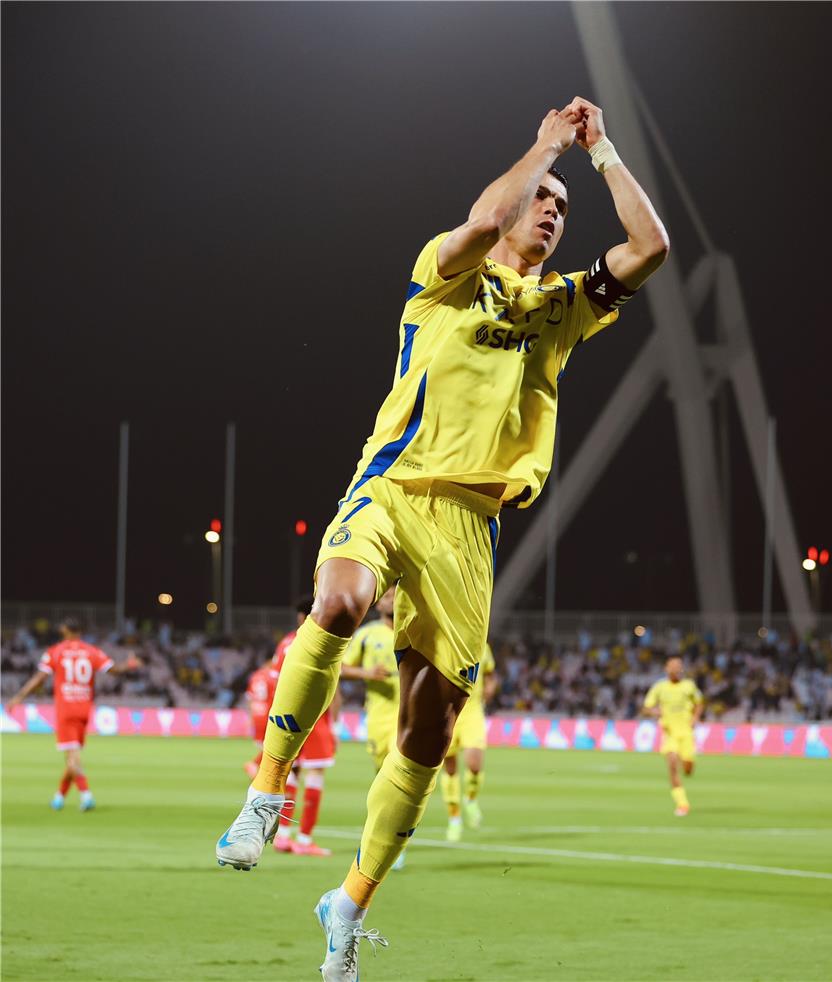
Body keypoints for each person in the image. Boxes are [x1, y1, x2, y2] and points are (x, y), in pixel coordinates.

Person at [214, 95, 669, 980]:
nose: (550, 209)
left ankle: (347, 903)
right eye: (544, 197)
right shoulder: (444, 276)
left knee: (429, 731)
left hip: (469, 528)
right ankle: (267, 790)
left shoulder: (563, 308)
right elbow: (487, 217)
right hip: (391, 485)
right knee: (341, 602)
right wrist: (545, 147)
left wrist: (603, 151)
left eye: (562, 209)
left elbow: (650, 248)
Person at [5, 618, 140, 811]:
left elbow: (39, 679)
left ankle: (86, 796)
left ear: (65, 630)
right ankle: (59, 797)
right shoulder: (91, 651)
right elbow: (114, 670)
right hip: (85, 708)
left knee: (72, 755)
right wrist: (130, 665)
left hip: (66, 708)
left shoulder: (56, 651)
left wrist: (19, 696)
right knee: (72, 755)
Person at [339, 584, 406, 871]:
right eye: (387, 597)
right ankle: (382, 840)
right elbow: (341, 667)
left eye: (396, 597)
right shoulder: (367, 635)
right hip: (379, 718)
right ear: (379, 604)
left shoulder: (414, 631)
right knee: (383, 782)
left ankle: (396, 846)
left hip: (409, 716)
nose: (391, 601)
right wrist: (368, 673)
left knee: (400, 780)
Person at [269, 597, 341, 857]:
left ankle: (284, 836)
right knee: (315, 776)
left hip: (288, 717)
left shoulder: (285, 643)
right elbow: (331, 686)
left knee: (292, 776)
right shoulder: (323, 639)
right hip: (315, 718)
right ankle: (305, 839)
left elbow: (274, 682)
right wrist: (335, 724)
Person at [441, 642, 497, 840]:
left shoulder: (482, 645)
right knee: (450, 768)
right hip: (446, 712)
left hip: (472, 712)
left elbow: (490, 674)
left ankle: (471, 799)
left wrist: (490, 688)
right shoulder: (444, 640)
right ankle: (454, 819)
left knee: (474, 764)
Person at [641, 655, 703, 816]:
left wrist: (695, 717)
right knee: (673, 765)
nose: (675, 669)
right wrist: (654, 711)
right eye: (672, 666)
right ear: (666, 669)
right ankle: (682, 804)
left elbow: (699, 703)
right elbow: (646, 708)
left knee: (688, 769)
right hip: (670, 734)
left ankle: (687, 764)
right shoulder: (660, 687)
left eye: (678, 666)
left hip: (686, 733)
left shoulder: (688, 686)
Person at [243, 658, 279, 779]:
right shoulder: (274, 677)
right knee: (275, 746)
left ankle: (261, 770)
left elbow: (250, 698)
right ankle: (255, 764)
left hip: (257, 714)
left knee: (268, 746)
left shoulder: (255, 676)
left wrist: (250, 716)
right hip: (269, 715)